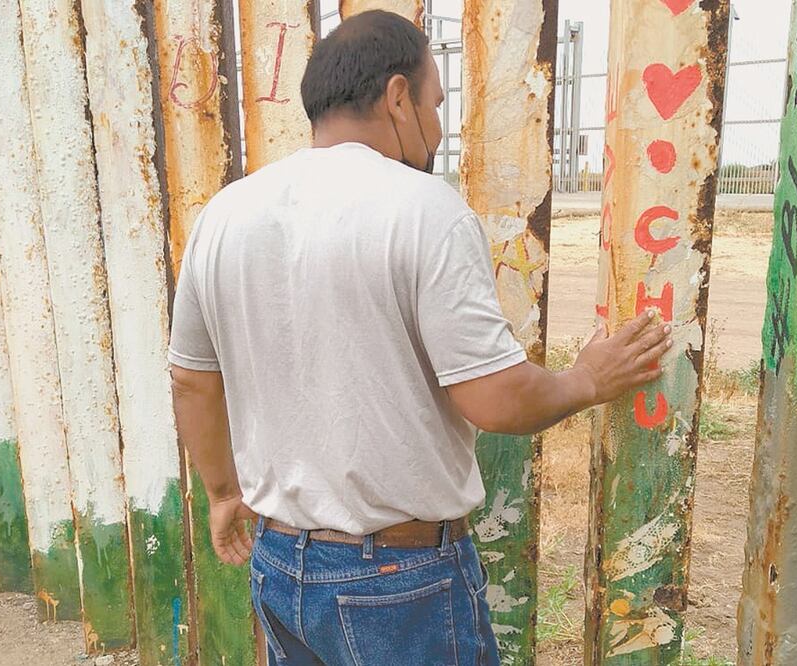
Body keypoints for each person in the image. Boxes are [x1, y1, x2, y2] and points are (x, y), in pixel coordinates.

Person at [168, 9, 671, 665]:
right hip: (397, 580)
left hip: (279, 563)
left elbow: (190, 379)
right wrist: (587, 380)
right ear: (397, 97)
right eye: (435, 102)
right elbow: (495, 401)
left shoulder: (224, 216)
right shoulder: (422, 209)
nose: (437, 125)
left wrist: (223, 492)